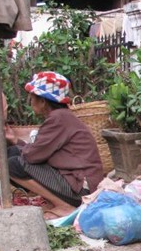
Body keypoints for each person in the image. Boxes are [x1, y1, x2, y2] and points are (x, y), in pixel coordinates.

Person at [7, 72, 104, 220]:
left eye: (32, 98)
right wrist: (17, 142)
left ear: (43, 101)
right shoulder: (62, 117)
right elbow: (39, 149)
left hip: (81, 187)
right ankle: (56, 202)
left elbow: (33, 156)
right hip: (75, 180)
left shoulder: (58, 118)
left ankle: (64, 206)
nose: (31, 102)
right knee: (13, 152)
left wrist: (22, 148)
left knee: (12, 165)